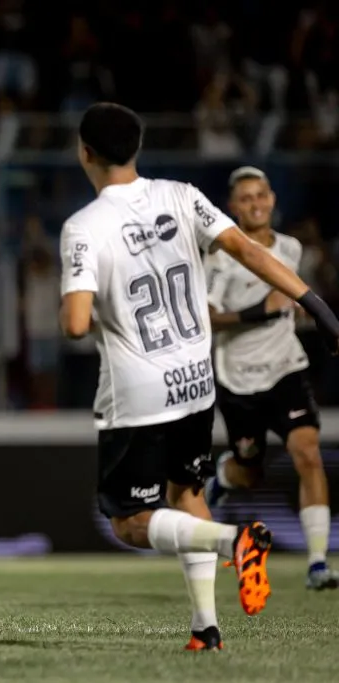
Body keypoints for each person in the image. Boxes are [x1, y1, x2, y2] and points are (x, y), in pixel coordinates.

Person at [59, 103, 339, 651]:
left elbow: (74, 324)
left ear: (84, 153)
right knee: (187, 494)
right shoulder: (182, 196)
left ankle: (235, 540)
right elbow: (246, 249)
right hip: (195, 383)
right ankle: (205, 627)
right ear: (137, 147)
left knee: (130, 522)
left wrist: (87, 307)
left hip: (138, 394)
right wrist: (316, 304)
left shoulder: (84, 226)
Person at [203, 166, 338, 591]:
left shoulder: (290, 249)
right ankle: (225, 477)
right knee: (249, 472)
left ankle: (318, 563)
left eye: (261, 195)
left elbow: (293, 300)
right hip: (238, 378)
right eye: (246, 198)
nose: (255, 204)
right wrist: (260, 312)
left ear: (273, 199)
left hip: (285, 369)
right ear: (232, 207)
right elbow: (206, 318)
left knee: (308, 453)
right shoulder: (217, 257)